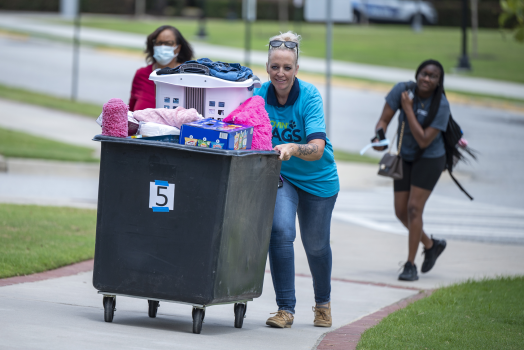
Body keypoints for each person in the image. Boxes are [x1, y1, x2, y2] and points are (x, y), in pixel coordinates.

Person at [254, 32, 339, 329]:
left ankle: (323, 303)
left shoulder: (310, 96)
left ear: (296, 70)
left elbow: (316, 149)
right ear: (267, 67)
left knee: (315, 246)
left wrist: (291, 147)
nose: (281, 73)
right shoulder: (258, 96)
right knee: (279, 231)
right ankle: (285, 309)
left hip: (319, 180)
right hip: (283, 177)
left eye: (287, 68)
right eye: (275, 66)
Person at [372, 59, 449, 282]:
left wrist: (408, 109)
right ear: (417, 74)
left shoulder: (441, 105)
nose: (426, 78)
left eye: (432, 76)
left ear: (438, 82)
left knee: (414, 209)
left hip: (430, 158)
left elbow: (424, 140)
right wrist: (379, 135)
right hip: (405, 156)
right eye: (423, 73)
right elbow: (383, 120)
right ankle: (431, 245)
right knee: (400, 211)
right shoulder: (402, 90)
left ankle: (410, 264)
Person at [129, 25, 193, 111]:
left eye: (168, 43)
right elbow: (130, 111)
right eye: (159, 43)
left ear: (178, 48)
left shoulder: (189, 75)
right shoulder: (141, 74)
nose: (162, 47)